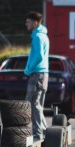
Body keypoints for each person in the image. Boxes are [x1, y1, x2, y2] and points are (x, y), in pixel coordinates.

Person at [24, 11, 49, 140]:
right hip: (43, 74)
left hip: (37, 74)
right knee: (38, 105)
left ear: (35, 22)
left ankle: (38, 134)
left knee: (33, 104)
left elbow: (38, 56)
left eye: (28, 22)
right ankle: (44, 132)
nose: (26, 24)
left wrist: (28, 70)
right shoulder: (42, 35)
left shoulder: (38, 37)